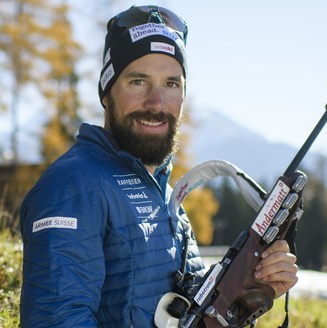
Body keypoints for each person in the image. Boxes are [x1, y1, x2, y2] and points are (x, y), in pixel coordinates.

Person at [19, 5, 298, 327]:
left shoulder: (164, 196)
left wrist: (248, 290)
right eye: (138, 82)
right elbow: (56, 320)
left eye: (171, 84)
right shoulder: (74, 187)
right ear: (107, 93)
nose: (156, 104)